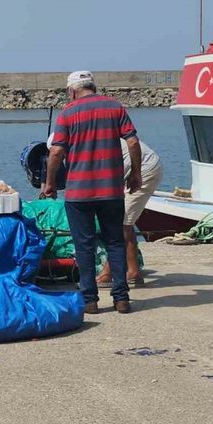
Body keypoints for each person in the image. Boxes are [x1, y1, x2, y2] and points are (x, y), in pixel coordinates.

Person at [42, 71, 142, 314]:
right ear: (92, 86)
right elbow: (132, 142)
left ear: (72, 90)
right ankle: (121, 298)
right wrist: (136, 173)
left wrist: (50, 183)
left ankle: (90, 301)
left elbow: (56, 152)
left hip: (79, 193)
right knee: (115, 243)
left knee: (83, 245)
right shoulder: (115, 107)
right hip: (111, 191)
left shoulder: (68, 113)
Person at [43, 135, 162, 288]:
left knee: (121, 224)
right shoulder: (85, 142)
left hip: (144, 169)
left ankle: (108, 273)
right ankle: (133, 272)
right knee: (125, 221)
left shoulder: (86, 148)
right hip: (129, 170)